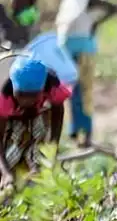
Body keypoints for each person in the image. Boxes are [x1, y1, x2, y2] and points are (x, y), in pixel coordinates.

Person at [55, 0, 117, 147]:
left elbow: (114, 8)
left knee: (85, 91)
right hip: (68, 49)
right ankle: (75, 130)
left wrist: (95, 22)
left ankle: (87, 132)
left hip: (84, 49)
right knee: (71, 91)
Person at [0, 56, 71, 189]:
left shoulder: (52, 85)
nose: (26, 100)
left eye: (32, 95)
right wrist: (5, 172)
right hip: (10, 119)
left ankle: (32, 176)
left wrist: (53, 148)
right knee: (10, 155)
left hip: (38, 115)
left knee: (38, 157)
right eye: (21, 95)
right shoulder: (4, 96)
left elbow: (57, 112)